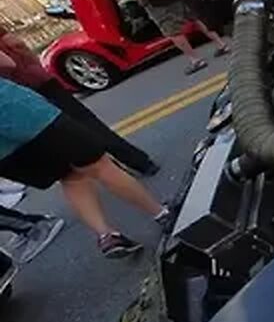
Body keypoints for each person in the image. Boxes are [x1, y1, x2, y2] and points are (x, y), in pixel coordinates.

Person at [0, 77, 169, 258]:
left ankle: (107, 235)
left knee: (69, 177)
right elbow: (6, 62)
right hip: (21, 114)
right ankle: (161, 214)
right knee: (98, 165)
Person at [0, 23, 160, 177]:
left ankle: (115, 172)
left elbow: (9, 61)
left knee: (67, 136)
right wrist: (35, 66)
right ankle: (139, 162)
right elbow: (15, 43)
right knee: (89, 123)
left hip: (19, 94)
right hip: (37, 81)